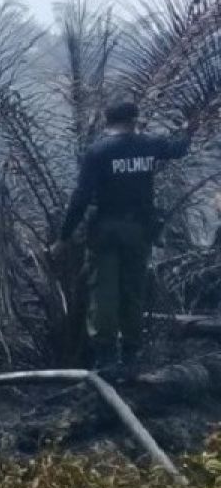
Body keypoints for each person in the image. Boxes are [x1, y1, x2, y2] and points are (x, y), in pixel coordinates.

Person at [54, 101, 189, 378]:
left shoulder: (99, 152)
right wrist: (189, 129)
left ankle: (105, 358)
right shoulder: (150, 145)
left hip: (105, 230)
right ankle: (131, 355)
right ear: (134, 119)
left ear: (107, 121)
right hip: (138, 231)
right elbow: (179, 149)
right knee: (132, 291)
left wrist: (64, 237)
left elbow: (80, 198)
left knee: (103, 292)